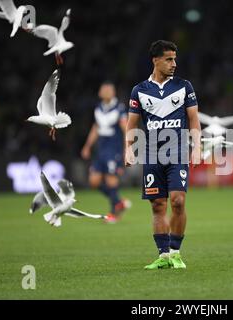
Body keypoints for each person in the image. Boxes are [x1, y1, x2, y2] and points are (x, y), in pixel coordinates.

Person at [125, 40, 201, 269]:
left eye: (175, 59)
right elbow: (131, 124)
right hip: (151, 154)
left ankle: (176, 252)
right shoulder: (139, 90)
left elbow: (194, 120)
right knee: (158, 205)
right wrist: (128, 148)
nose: (174, 63)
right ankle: (163, 256)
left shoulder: (184, 86)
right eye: (169, 59)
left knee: (177, 201)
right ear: (155, 60)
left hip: (177, 151)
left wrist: (196, 147)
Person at [81, 81, 131, 223]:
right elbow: (96, 128)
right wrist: (87, 146)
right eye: (105, 90)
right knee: (94, 181)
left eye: (109, 90)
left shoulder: (119, 108)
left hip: (113, 150)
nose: (107, 92)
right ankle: (119, 202)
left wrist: (127, 148)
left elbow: (125, 129)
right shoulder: (98, 108)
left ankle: (114, 213)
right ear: (100, 93)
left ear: (113, 93)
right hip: (101, 150)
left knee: (111, 180)